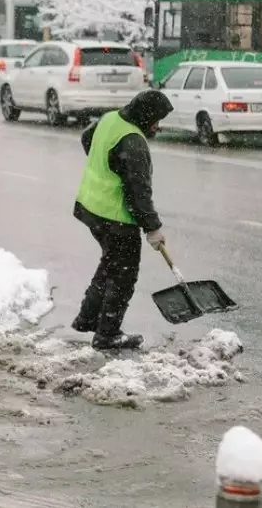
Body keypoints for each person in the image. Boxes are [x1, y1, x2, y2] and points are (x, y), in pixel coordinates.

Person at [71, 90, 174, 351]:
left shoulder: (110, 119)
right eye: (156, 120)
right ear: (147, 116)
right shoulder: (133, 142)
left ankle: (88, 318)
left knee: (110, 264)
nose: (157, 126)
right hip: (114, 218)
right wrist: (152, 228)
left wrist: (107, 164)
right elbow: (138, 193)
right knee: (124, 275)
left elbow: (87, 138)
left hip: (91, 209)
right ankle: (107, 335)